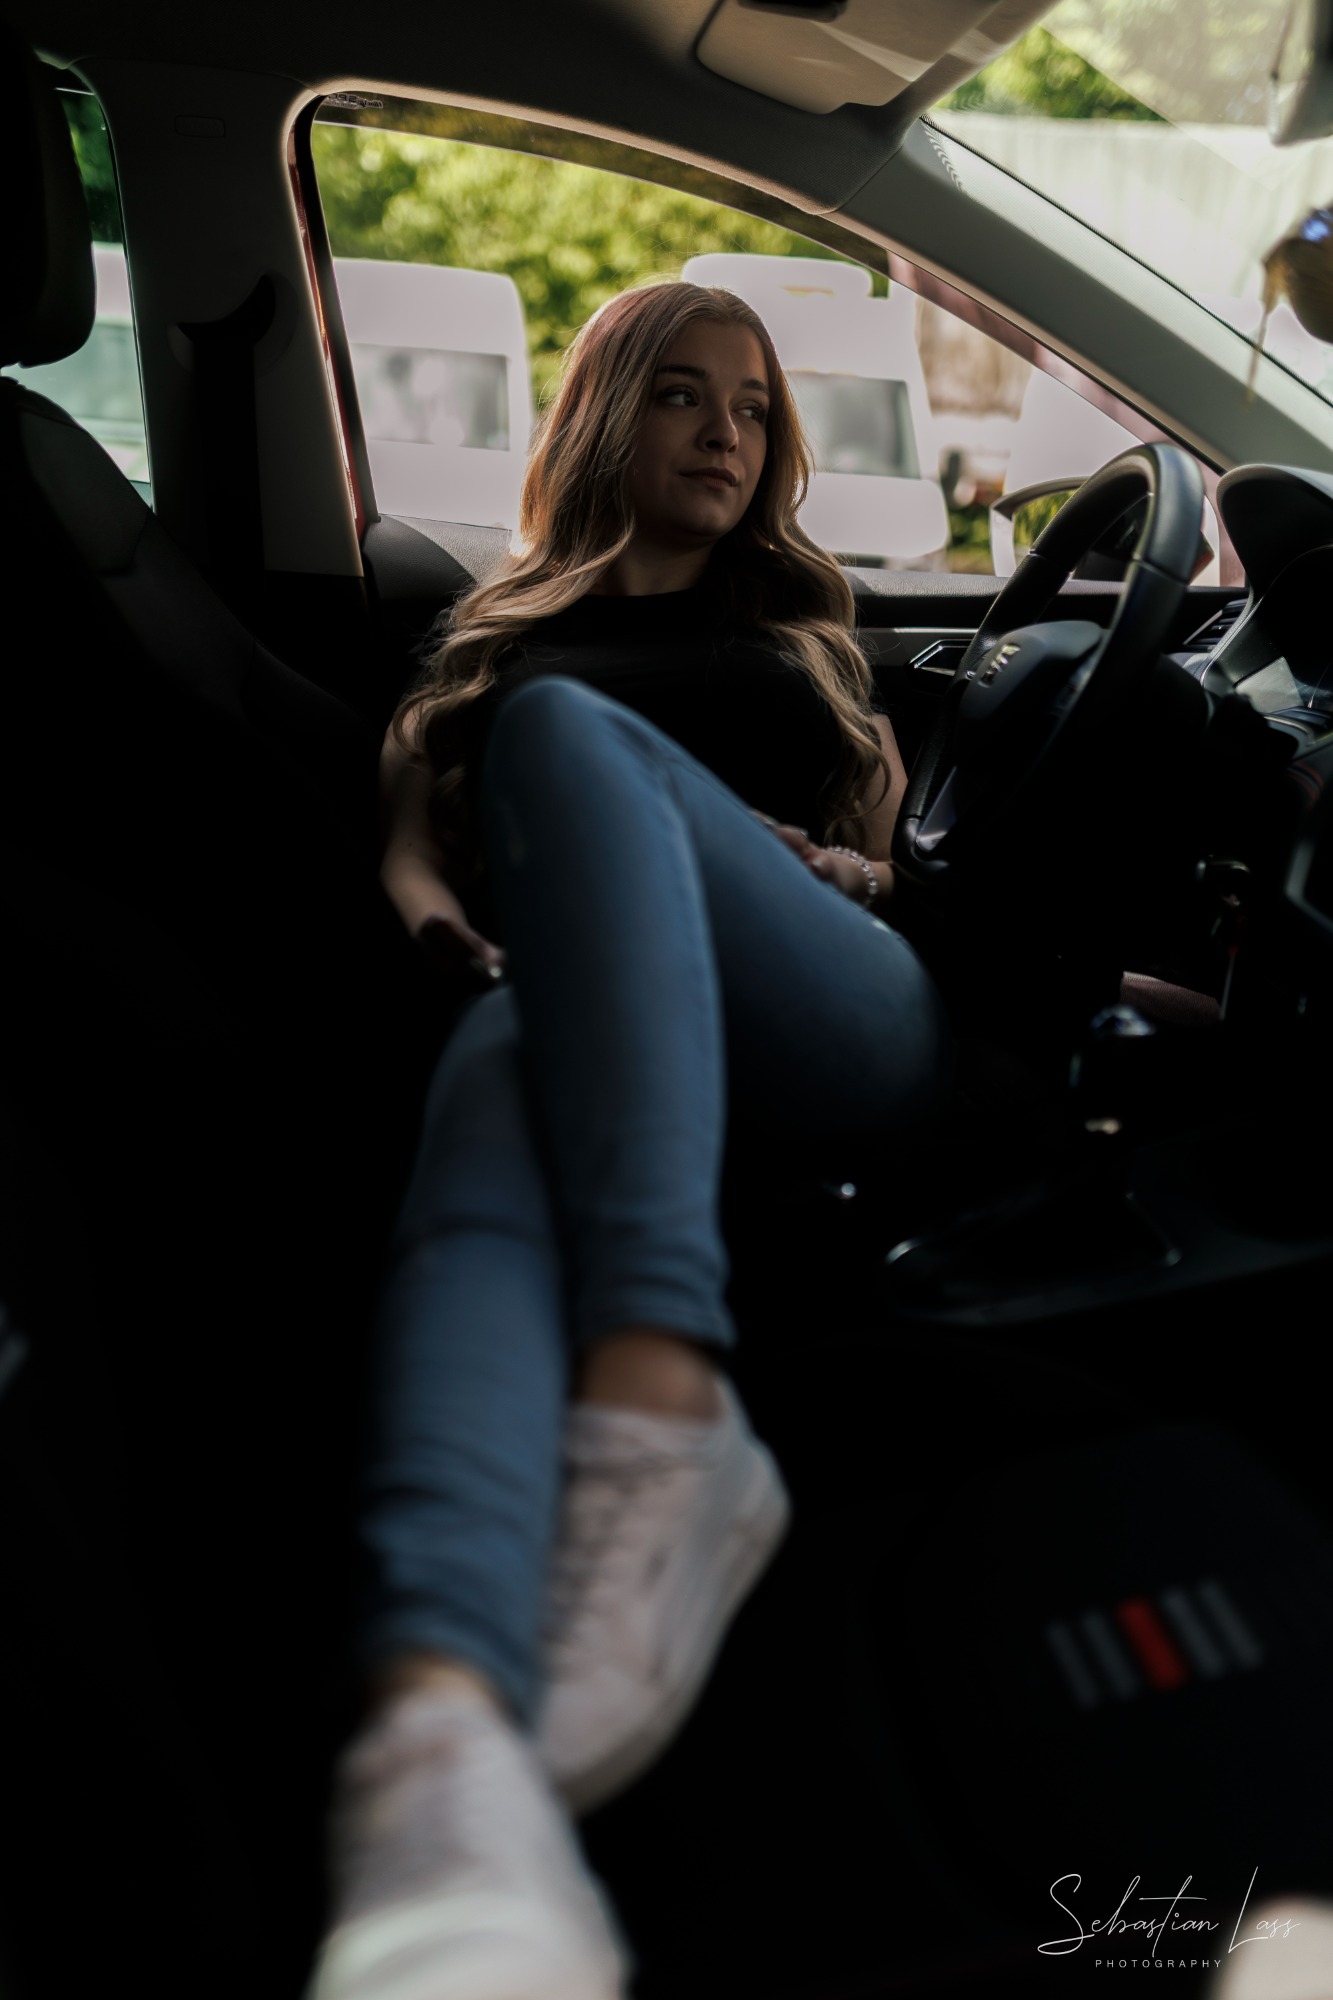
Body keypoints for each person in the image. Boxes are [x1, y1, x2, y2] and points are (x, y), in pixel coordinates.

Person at [306, 279, 951, 2000]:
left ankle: (659, 1392)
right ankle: (439, 1752)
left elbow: (890, 857)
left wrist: (848, 869)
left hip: (822, 1008)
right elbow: (408, 852)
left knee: (568, 738)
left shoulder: (807, 630)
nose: (725, 433)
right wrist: (439, 925)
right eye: (680, 395)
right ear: (604, 415)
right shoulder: (490, 636)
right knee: (503, 1060)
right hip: (571, 1008)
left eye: (751, 406)